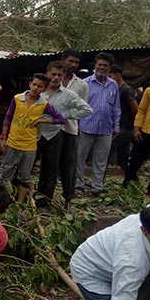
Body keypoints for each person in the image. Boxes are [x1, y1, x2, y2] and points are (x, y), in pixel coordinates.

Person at [0, 73, 66, 204]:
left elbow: (61, 119)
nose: (35, 88)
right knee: (6, 173)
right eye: (34, 84)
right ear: (30, 84)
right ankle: (4, 201)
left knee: (24, 177)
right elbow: (8, 118)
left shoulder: (44, 105)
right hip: (12, 143)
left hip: (29, 147)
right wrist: (3, 138)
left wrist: (42, 120)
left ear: (44, 90)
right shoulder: (18, 99)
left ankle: (19, 204)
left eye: (40, 86)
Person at [35, 61, 93, 208]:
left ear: (63, 76)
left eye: (59, 75)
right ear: (48, 73)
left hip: (54, 135)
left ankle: (43, 202)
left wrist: (65, 115)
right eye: (53, 74)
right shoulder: (39, 91)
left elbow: (87, 110)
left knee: (50, 170)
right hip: (34, 133)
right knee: (26, 167)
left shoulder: (68, 95)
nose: (55, 78)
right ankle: (21, 198)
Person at [76, 52, 121, 196]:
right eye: (100, 64)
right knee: (80, 158)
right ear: (95, 65)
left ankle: (97, 187)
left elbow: (116, 108)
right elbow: (78, 106)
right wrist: (77, 125)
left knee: (101, 160)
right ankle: (78, 185)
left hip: (106, 129)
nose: (102, 67)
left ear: (110, 67)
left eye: (105, 65)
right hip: (86, 126)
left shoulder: (113, 85)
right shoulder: (85, 83)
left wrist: (116, 126)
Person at [123, 66, 150, 196]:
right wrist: (137, 129)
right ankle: (129, 184)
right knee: (135, 160)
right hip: (145, 132)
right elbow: (141, 111)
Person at [59, 49, 90, 203]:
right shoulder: (52, 78)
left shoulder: (81, 85)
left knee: (69, 166)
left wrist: (67, 115)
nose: (73, 65)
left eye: (76, 62)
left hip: (70, 129)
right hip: (48, 130)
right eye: (70, 61)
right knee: (48, 165)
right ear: (63, 60)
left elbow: (83, 107)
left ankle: (68, 198)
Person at [108, 64, 138, 172]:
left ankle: (99, 181)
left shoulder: (126, 90)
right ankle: (131, 179)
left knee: (108, 149)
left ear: (116, 75)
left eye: (110, 75)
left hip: (125, 127)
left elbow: (135, 109)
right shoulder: (116, 89)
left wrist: (132, 125)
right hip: (119, 126)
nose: (108, 78)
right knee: (123, 155)